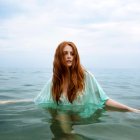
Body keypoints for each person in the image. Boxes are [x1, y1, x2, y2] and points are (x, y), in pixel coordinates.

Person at [34, 41, 140, 117]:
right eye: (65, 53)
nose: (69, 56)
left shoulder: (86, 76)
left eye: (72, 53)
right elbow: (42, 99)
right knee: (62, 117)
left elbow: (104, 99)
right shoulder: (55, 80)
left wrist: (131, 109)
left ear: (76, 57)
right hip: (63, 116)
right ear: (59, 57)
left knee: (63, 120)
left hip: (81, 116)